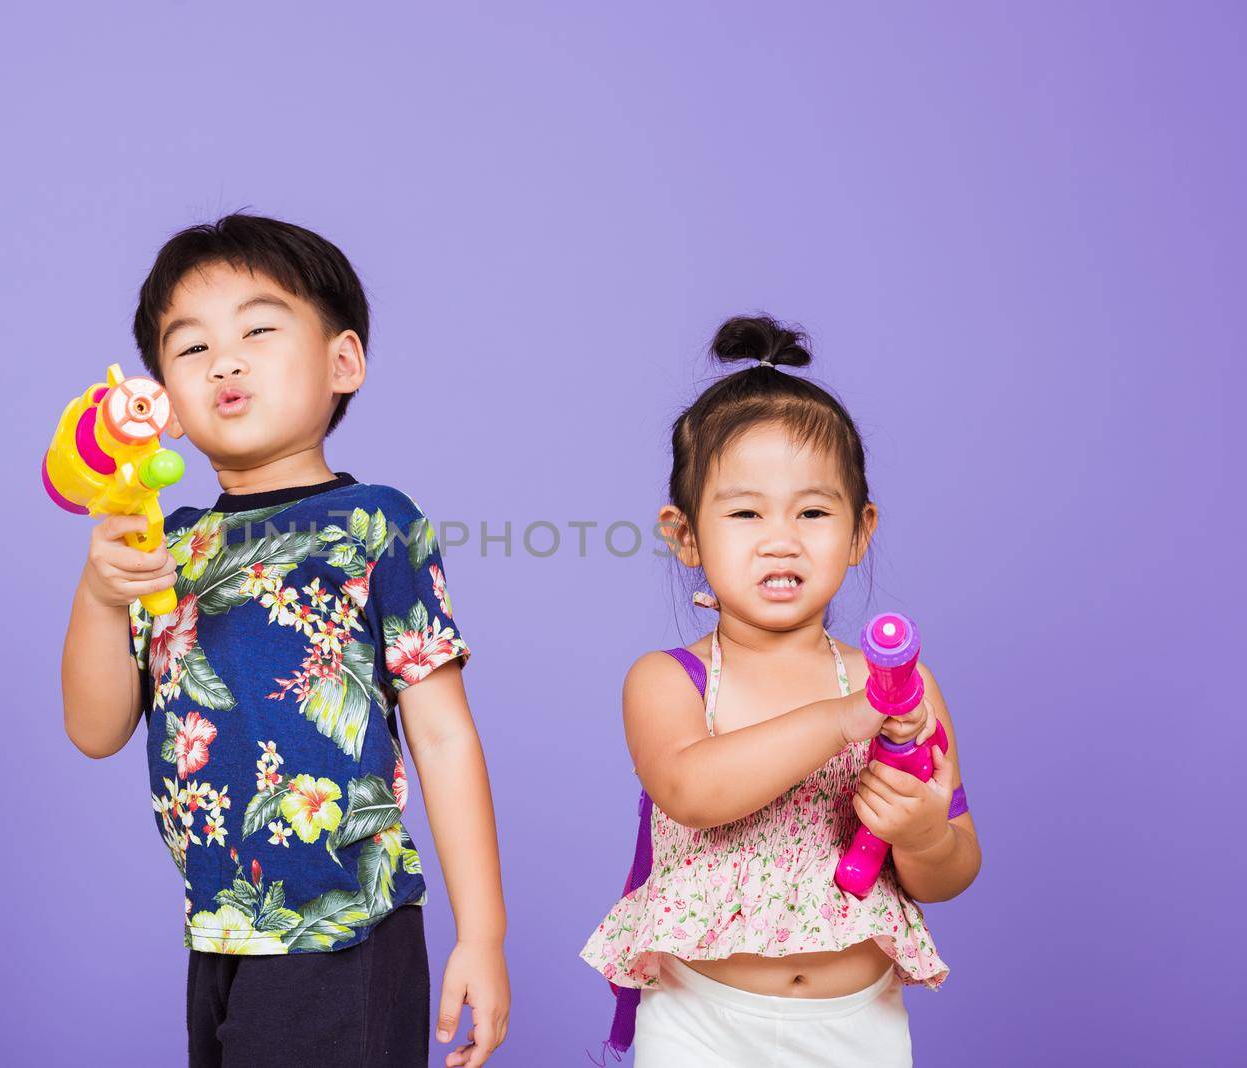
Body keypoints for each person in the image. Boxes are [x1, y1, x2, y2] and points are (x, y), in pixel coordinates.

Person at [61, 214, 510, 1067]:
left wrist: (481, 933)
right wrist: (97, 590)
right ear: (165, 406)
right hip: (222, 928)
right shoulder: (165, 545)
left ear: (342, 362)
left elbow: (445, 735)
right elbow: (94, 729)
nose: (223, 362)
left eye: (258, 331)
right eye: (189, 350)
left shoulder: (376, 523)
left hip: (349, 927)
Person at [580, 315, 981, 1066]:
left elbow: (952, 869)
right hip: (704, 1024)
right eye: (744, 512)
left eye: (814, 512)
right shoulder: (670, 680)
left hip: (857, 1028)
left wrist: (923, 834)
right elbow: (694, 789)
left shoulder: (901, 684)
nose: (781, 538)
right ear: (686, 534)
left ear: (860, 531)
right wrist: (845, 716)